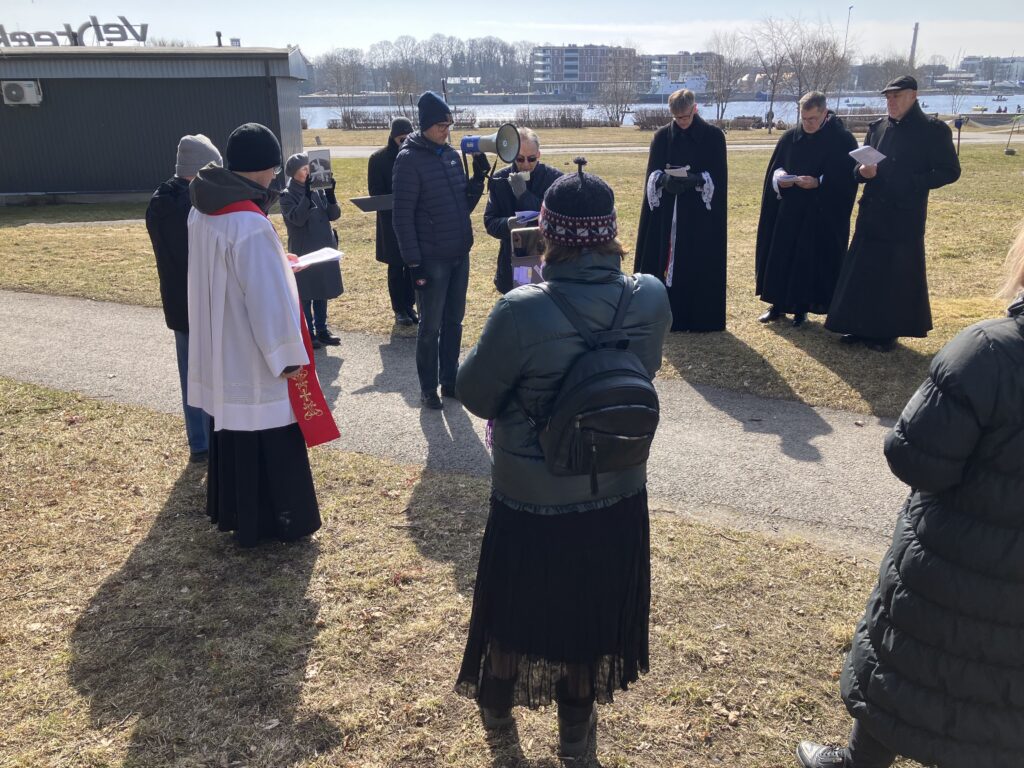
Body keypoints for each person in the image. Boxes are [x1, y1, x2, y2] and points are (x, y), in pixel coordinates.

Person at [454, 161, 671, 758]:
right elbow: (643, 369)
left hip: (532, 493)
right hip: (616, 484)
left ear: (546, 232)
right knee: (591, 615)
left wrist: (521, 302)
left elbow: (474, 394)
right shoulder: (651, 296)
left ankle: (497, 705)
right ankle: (577, 738)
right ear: (611, 232)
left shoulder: (520, 309)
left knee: (514, 607)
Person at [796, 219, 1024, 768]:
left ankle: (858, 763)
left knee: (909, 662)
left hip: (957, 558)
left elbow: (914, 455)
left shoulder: (989, 351)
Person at [187, 122, 322, 547]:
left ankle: (235, 512)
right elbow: (266, 298)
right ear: (266, 168)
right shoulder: (249, 223)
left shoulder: (202, 207)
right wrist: (287, 356)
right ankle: (277, 520)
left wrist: (278, 260)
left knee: (233, 431)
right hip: (252, 352)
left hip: (222, 341)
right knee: (268, 429)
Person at [825, 75, 961, 351]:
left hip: (904, 214)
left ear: (913, 95)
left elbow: (950, 171)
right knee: (863, 272)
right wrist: (862, 172)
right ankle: (857, 325)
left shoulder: (933, 130)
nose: (891, 102)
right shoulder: (878, 128)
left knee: (893, 276)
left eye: (896, 96)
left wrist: (912, 182)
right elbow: (858, 168)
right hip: (872, 211)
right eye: (888, 97)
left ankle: (887, 332)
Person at [391, 90, 489, 409]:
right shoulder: (408, 160)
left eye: (449, 125)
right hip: (431, 258)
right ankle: (428, 388)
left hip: (459, 252)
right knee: (430, 326)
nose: (446, 131)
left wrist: (477, 180)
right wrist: (413, 263)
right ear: (426, 125)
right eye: (441, 126)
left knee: (454, 321)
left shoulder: (450, 156)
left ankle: (450, 380)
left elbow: (462, 206)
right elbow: (402, 217)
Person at [145, 134, 222, 463]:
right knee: (211, 375)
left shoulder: (159, 202)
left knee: (190, 374)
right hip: (202, 301)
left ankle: (199, 442)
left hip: (177, 304)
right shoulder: (192, 208)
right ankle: (213, 438)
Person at [755, 91, 858, 327]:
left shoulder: (842, 140)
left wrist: (819, 182)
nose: (808, 124)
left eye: (813, 119)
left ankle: (802, 308)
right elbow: (776, 167)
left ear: (824, 113)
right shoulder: (790, 137)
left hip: (820, 213)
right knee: (781, 256)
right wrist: (780, 178)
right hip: (788, 210)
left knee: (808, 260)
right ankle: (777, 304)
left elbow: (847, 178)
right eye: (804, 119)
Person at [634, 88, 728, 332]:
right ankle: (665, 312)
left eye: (685, 117)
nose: (682, 122)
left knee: (696, 257)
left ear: (695, 109)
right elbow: (653, 173)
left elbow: (718, 176)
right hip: (667, 210)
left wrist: (697, 179)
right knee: (665, 255)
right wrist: (664, 180)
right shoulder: (662, 136)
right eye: (677, 118)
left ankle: (697, 316)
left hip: (699, 213)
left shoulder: (714, 136)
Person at [482, 126, 562, 293]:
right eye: (519, 159)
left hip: (546, 259)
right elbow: (490, 222)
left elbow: (557, 219)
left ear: (538, 155)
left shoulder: (554, 179)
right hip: (510, 260)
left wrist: (524, 196)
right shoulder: (499, 179)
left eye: (531, 159)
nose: (525, 164)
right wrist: (507, 224)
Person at [279, 152, 343, 350]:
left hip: (323, 246)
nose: (308, 172)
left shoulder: (319, 189)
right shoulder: (286, 194)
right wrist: (306, 195)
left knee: (321, 290)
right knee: (306, 293)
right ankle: (308, 332)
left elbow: (333, 215)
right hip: (303, 249)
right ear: (293, 173)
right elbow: (297, 219)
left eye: (309, 168)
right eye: (304, 169)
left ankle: (322, 329)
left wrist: (331, 195)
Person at [368, 117, 417, 326]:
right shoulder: (378, 159)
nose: (405, 141)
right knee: (396, 267)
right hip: (390, 222)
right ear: (393, 137)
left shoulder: (415, 156)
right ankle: (399, 309)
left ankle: (410, 305)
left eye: (408, 137)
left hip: (413, 220)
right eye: (401, 138)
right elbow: (375, 192)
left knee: (413, 266)